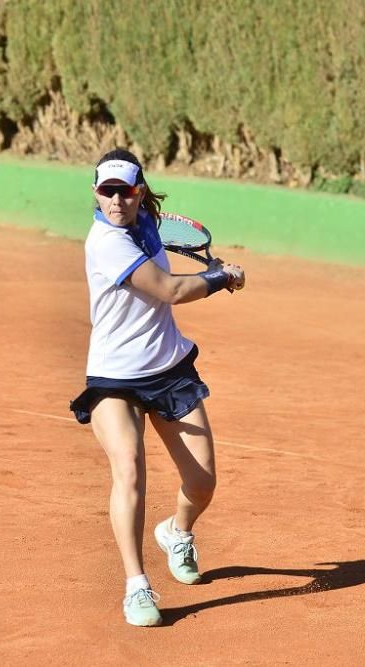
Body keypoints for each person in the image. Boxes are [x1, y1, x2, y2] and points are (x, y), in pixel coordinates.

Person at [69, 149, 245, 627]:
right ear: (95, 193)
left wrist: (213, 275)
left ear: (139, 191)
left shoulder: (146, 221)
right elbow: (168, 289)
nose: (116, 200)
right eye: (106, 191)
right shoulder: (106, 242)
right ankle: (136, 585)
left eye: (125, 190)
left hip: (167, 368)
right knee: (128, 467)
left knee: (203, 482)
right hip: (114, 378)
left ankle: (177, 530)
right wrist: (218, 275)